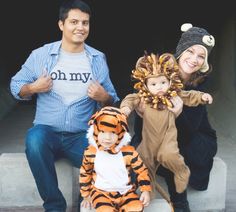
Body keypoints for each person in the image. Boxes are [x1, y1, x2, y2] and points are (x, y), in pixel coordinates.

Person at [10, 0, 119, 211]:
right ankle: (54, 205)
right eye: (74, 22)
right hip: (47, 133)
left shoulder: (97, 58)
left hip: (81, 136)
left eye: (85, 23)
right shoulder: (41, 55)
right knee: (34, 139)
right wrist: (33, 87)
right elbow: (16, 85)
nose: (80, 27)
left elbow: (112, 100)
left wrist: (103, 95)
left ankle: (85, 205)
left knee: (108, 156)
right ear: (61, 24)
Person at [131, 23, 217, 212]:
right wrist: (144, 113)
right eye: (191, 51)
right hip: (158, 135)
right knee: (136, 148)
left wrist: (177, 115)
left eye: (201, 56)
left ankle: (180, 204)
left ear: (204, 62)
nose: (194, 59)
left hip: (195, 141)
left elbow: (187, 134)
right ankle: (124, 196)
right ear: (181, 51)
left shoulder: (197, 88)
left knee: (174, 149)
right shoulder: (158, 75)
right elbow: (140, 130)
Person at [120, 52, 213, 198]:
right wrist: (125, 109)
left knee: (169, 156)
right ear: (145, 85)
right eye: (154, 84)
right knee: (143, 159)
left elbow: (189, 95)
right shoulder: (142, 97)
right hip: (149, 140)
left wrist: (202, 97)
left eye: (163, 83)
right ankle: (147, 190)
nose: (159, 88)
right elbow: (130, 100)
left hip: (168, 139)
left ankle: (182, 172)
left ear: (170, 81)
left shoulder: (173, 94)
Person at [79, 106, 151, 212]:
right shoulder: (91, 153)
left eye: (113, 133)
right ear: (95, 130)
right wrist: (86, 195)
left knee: (135, 208)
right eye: (102, 132)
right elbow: (85, 173)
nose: (107, 138)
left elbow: (142, 171)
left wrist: (145, 191)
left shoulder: (129, 152)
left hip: (126, 192)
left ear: (121, 133)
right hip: (101, 192)